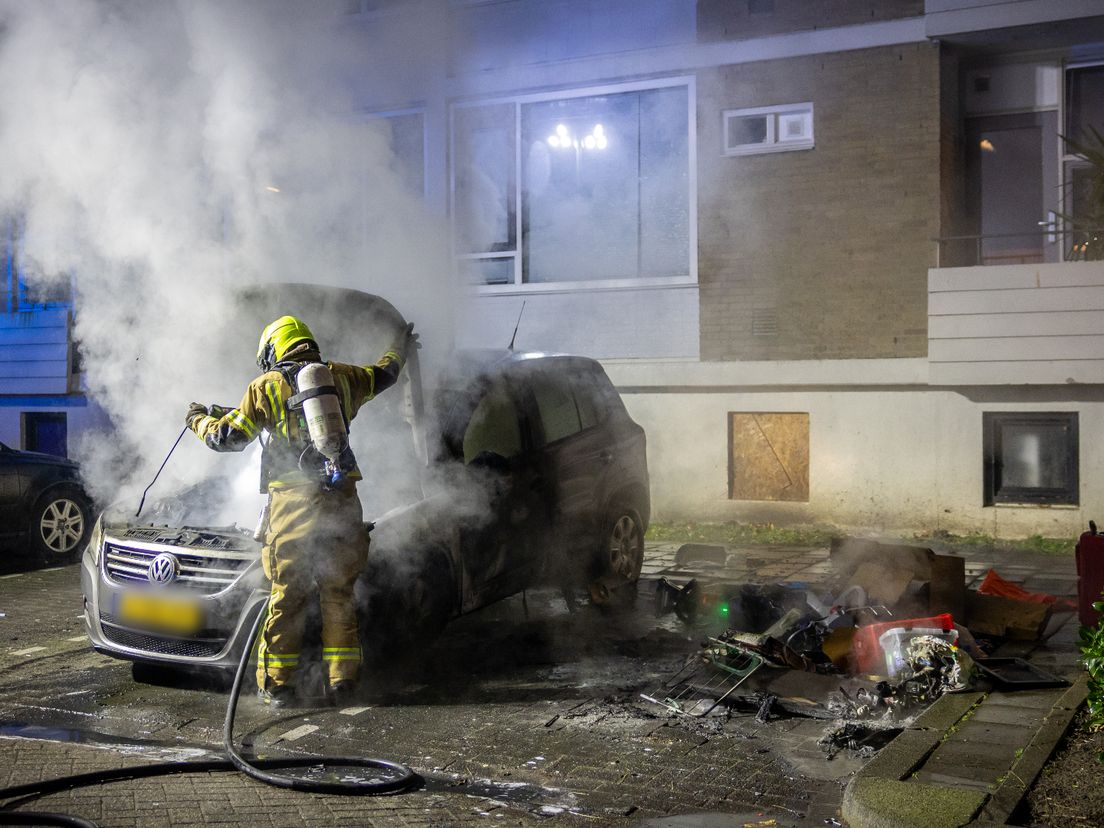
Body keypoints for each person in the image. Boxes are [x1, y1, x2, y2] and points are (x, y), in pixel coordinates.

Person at [185, 315, 417, 707]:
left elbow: (228, 438)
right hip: (341, 496)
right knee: (338, 591)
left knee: (288, 594)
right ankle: (343, 683)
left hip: (292, 503)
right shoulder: (342, 377)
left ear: (274, 350)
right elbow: (386, 373)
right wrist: (401, 345)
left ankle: (278, 686)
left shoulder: (264, 387)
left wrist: (197, 419)